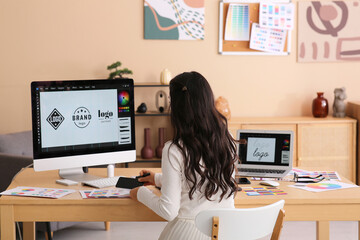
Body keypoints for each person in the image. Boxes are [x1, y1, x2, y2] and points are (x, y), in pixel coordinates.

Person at [129, 71, 238, 240]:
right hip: (226, 232)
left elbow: (168, 211)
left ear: (178, 108)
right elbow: (202, 178)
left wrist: (140, 194)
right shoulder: (227, 139)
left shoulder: (173, 149)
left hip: (188, 233)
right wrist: (158, 179)